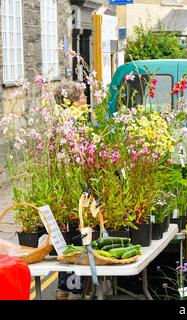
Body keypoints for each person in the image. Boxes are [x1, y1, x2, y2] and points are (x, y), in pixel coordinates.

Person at [53, 80, 87, 300]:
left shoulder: (56, 125)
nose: (85, 100)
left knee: (66, 241)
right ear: (72, 101)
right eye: (82, 97)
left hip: (62, 191)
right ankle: (74, 289)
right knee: (78, 238)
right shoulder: (74, 126)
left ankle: (64, 288)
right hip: (76, 190)